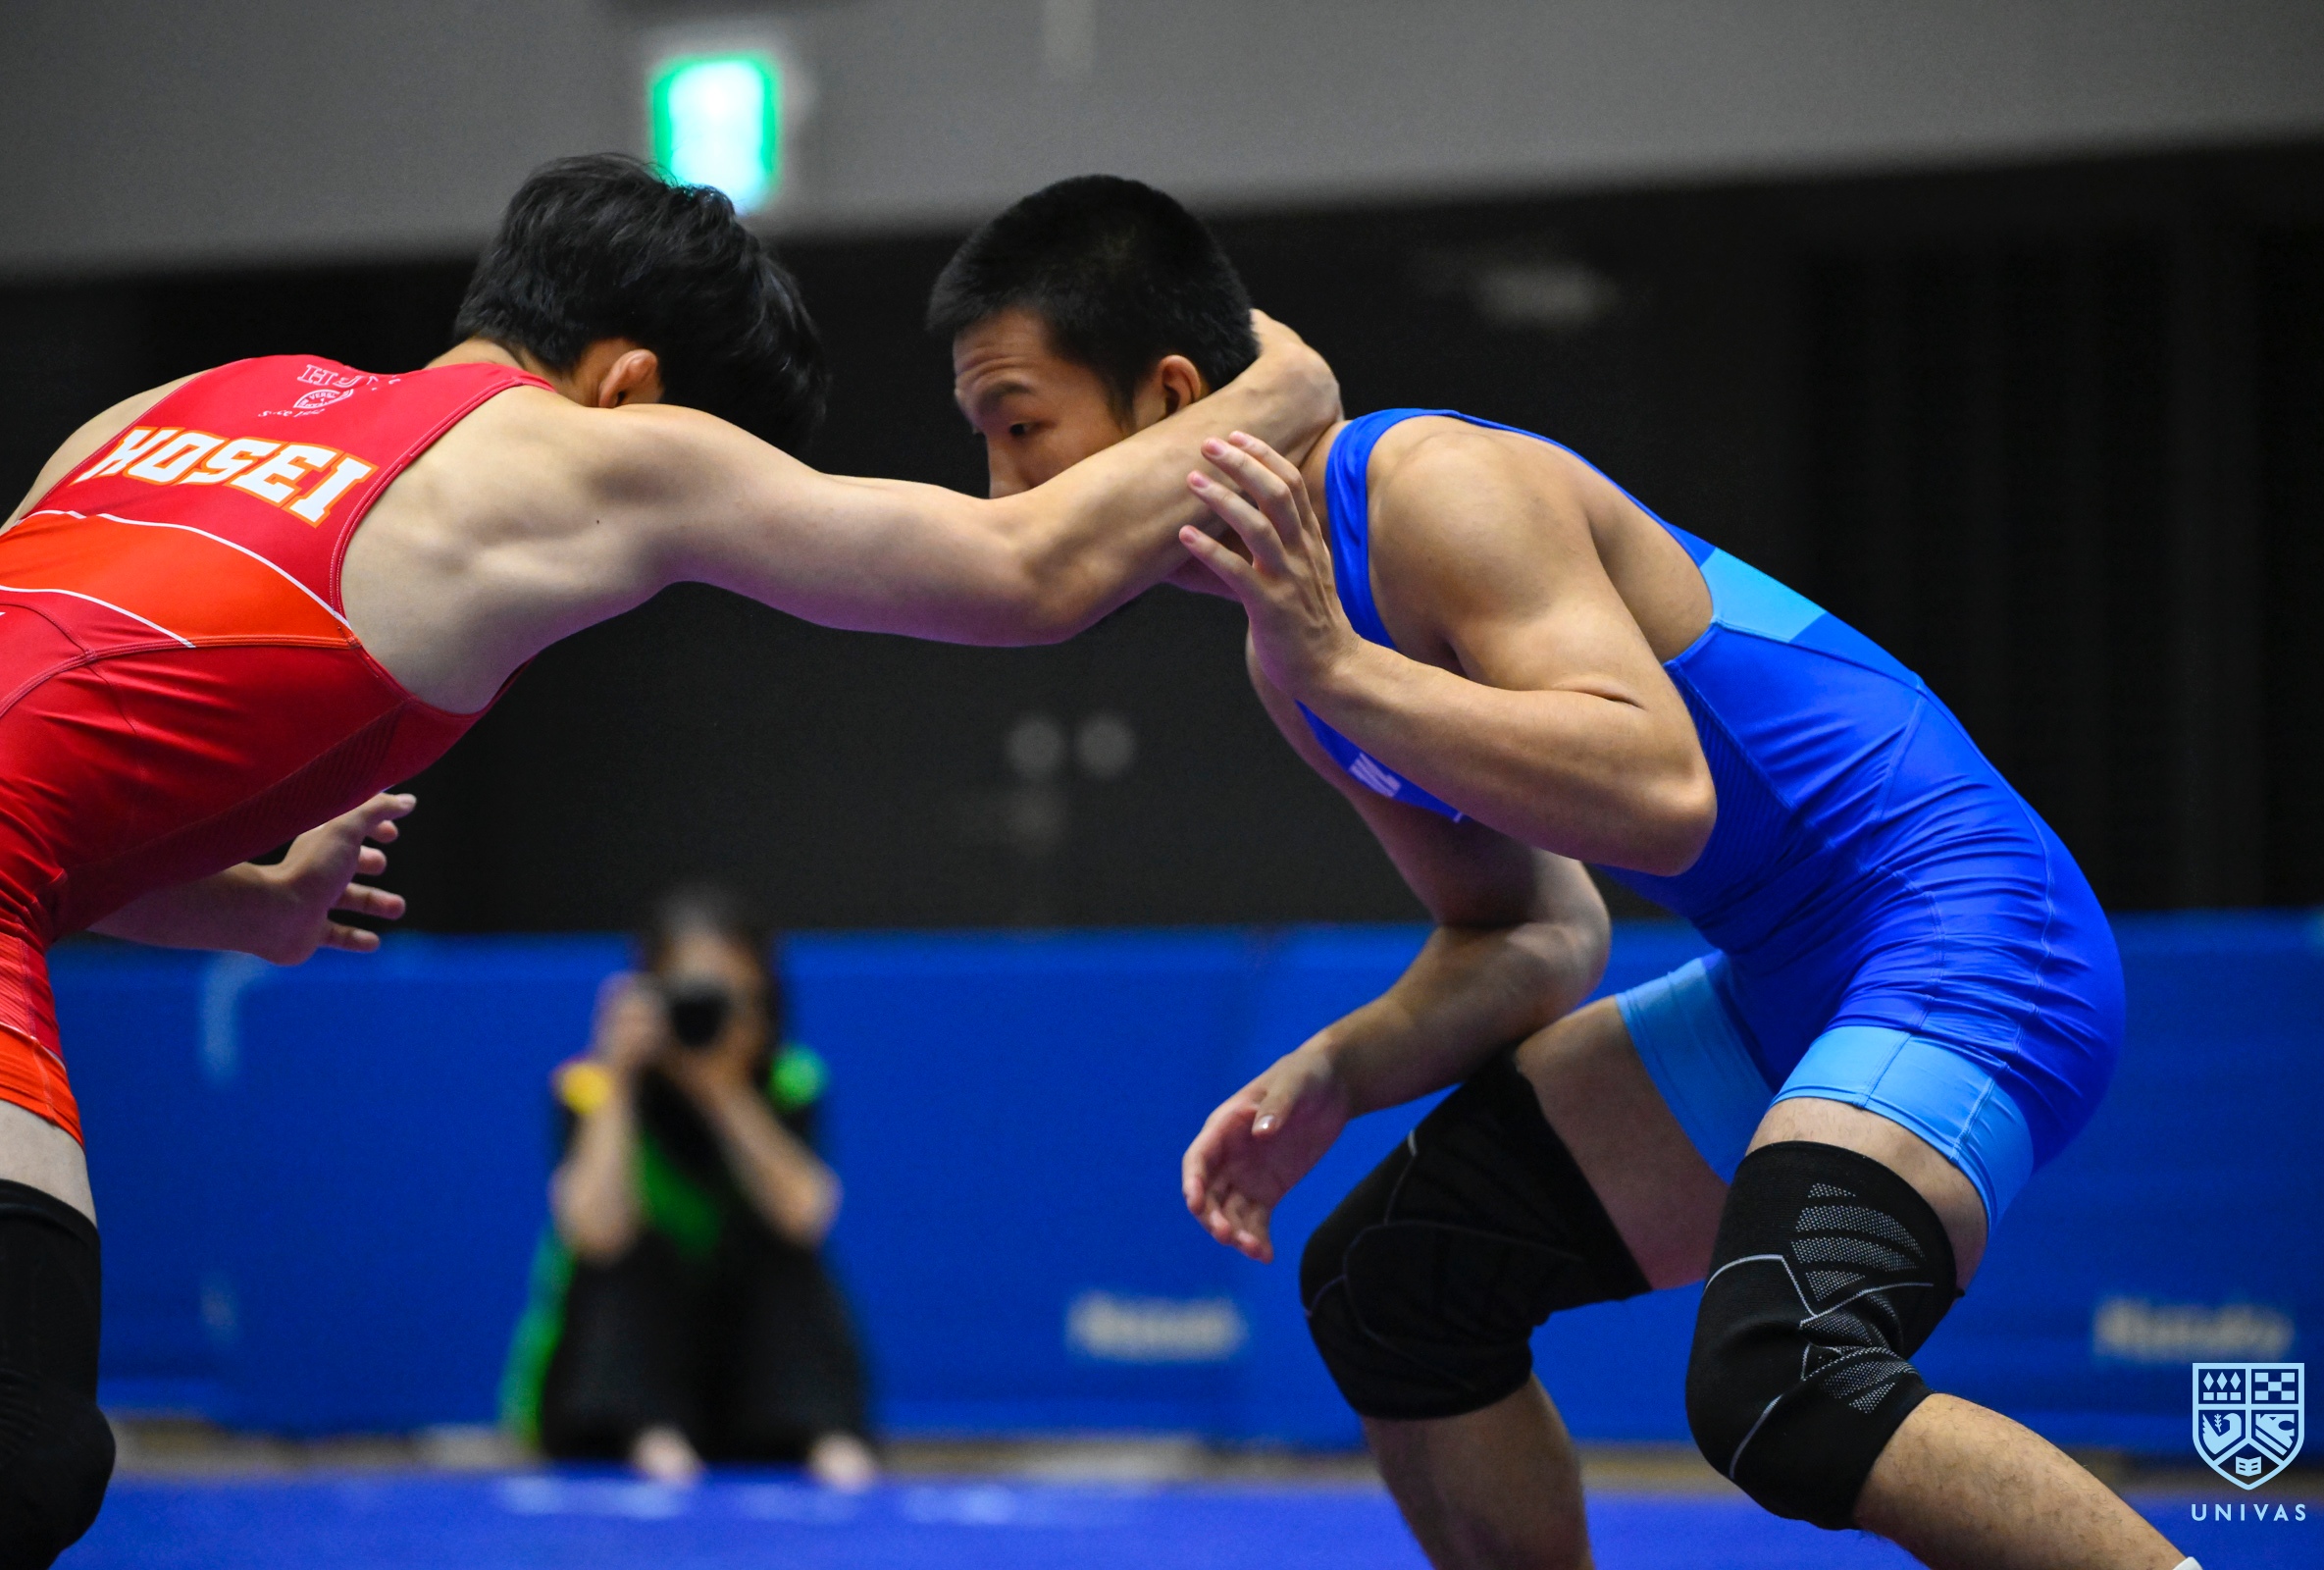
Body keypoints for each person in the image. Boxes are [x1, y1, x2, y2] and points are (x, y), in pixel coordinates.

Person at [0, 152, 1336, 1564]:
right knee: (23, 1454)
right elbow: (1028, 572)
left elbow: (42, 785)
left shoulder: (176, 405)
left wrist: (247, 909)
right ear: (633, 384)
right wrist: (1283, 387)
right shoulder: (597, 452)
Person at [927, 175, 2194, 1570]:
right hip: (1792, 981)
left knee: (1792, 1378)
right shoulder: (1290, 653)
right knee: (1395, 1283)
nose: (1004, 495)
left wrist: (1344, 670)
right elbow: (1531, 929)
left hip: (1975, 939)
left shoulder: (1431, 489)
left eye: (1022, 429)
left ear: (1171, 398)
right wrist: (1340, 1071)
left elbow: (1659, 789)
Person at [503, 886, 874, 1487]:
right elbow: (595, 1234)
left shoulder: (789, 1080)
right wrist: (620, 1078)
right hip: (609, 1380)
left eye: (730, 996)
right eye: (690, 996)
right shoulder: (590, 1086)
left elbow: (806, 1215)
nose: (707, 1015)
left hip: (747, 1391)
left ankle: (822, 1433)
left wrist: (721, 1089)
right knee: (637, 1254)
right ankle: (645, 1432)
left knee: (780, 1253)